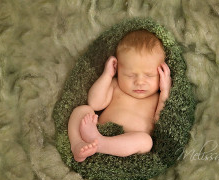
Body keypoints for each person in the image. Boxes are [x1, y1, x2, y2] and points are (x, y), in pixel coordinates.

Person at [68, 30, 171, 162]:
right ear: (118, 70)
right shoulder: (116, 85)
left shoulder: (157, 97)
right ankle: (77, 144)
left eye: (149, 75)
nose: (139, 82)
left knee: (146, 141)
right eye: (130, 75)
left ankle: (100, 143)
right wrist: (107, 75)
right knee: (82, 110)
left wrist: (165, 91)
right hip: (99, 130)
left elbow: (161, 121)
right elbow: (95, 103)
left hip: (127, 145)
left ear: (162, 74)